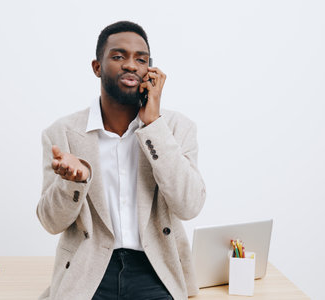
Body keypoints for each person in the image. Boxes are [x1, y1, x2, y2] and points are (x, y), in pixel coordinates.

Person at [37, 21, 206, 300]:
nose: (131, 65)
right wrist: (74, 183)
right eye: (118, 56)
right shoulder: (61, 133)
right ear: (97, 67)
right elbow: (50, 222)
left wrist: (153, 125)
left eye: (141, 59)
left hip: (157, 269)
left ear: (150, 71)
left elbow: (189, 206)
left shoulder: (176, 128)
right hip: (89, 268)